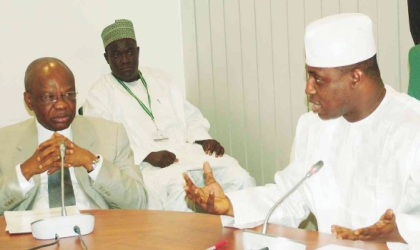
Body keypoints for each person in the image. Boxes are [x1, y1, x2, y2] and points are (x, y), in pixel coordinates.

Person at [183, 13, 420, 249]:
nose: (308, 89)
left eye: (318, 79)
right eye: (309, 75)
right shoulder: (313, 126)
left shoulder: (412, 125)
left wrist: (398, 235)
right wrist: (231, 205)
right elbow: (291, 196)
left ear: (355, 77)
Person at [83, 19, 255, 211]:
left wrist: (204, 139)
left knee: (238, 177)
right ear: (107, 58)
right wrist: (147, 155)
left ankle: (241, 235)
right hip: (145, 167)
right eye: (117, 54)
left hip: (186, 153)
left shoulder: (161, 79)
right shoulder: (99, 94)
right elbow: (104, 142)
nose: (125, 60)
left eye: (130, 52)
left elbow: (190, 117)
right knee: (180, 192)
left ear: (138, 52)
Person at [0, 57, 148, 215]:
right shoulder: (4, 142)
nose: (62, 104)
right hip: (30, 234)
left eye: (68, 94)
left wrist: (91, 162)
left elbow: (138, 203)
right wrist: (25, 172)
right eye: (49, 97)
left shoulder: (112, 134)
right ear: (29, 101)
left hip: (96, 232)